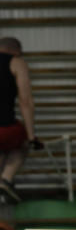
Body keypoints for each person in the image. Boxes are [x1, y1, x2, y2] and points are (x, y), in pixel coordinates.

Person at [0, 37, 42, 204]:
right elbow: (25, 101)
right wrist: (32, 137)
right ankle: (6, 179)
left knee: (2, 149)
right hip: (5, 127)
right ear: (16, 51)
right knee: (21, 142)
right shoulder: (16, 62)